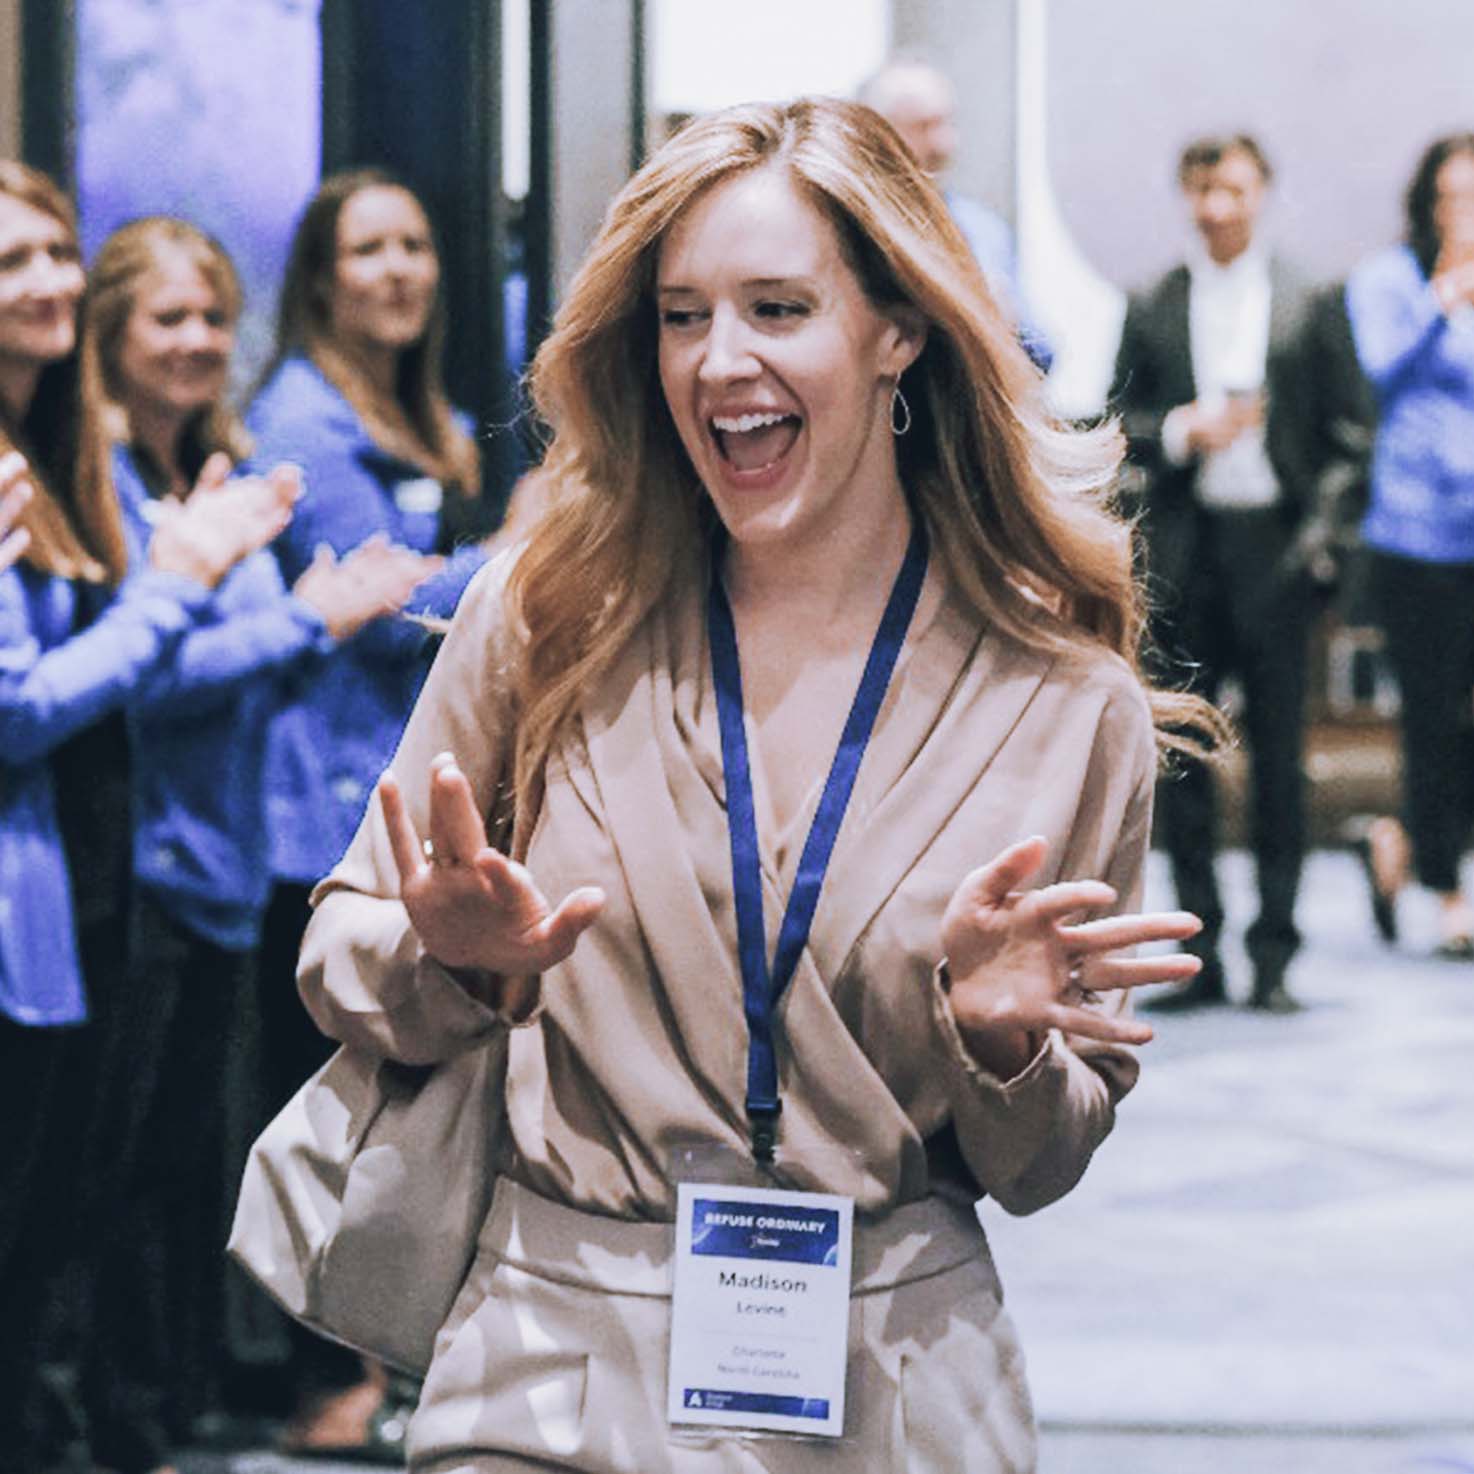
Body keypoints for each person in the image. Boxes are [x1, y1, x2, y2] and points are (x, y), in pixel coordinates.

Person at [287, 98, 1206, 1473]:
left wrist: (1004, 1045)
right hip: (548, 1363)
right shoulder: (547, 617)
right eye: (680, 315)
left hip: (890, 1385)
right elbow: (337, 954)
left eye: (777, 308)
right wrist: (451, 960)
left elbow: (1039, 1160)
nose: (720, 362)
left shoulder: (1060, 704)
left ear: (897, 328)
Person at [75, 215, 432, 1471]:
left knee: (185, 1183)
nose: (197, 342)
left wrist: (297, 623)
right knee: (107, 1193)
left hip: (219, 870)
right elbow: (145, 681)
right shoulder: (103, 479)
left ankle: (165, 1426)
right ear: (109, 335)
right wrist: (310, 622)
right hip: (137, 875)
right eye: (169, 319)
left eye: (213, 318)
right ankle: (110, 1434)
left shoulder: (214, 468)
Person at [0, 160, 294, 1474]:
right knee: (68, 1225)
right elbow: (29, 708)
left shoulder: (62, 459)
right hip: (98, 887)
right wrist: (200, 587)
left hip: (88, 896)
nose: (49, 281)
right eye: (16, 264)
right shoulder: (75, 471)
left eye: (56, 253)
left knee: (107, 1208)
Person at [246, 166, 490, 1451]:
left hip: (392, 792)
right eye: (369, 250)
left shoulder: (418, 408)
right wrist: (538, 543)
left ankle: (373, 1360)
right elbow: (387, 601)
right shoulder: (299, 415)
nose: (398, 268)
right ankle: (316, 1375)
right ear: (321, 278)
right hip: (318, 810)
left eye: (414, 243)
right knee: (327, 1100)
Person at [1111, 133, 1317, 1014]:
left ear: (1261, 192)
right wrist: (1181, 432)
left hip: (1273, 550)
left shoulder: (1309, 302)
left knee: (1278, 760)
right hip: (1187, 553)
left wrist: (1321, 549)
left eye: (1231, 187)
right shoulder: (1155, 301)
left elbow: (1347, 433)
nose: (1217, 206)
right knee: (1182, 757)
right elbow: (1117, 424)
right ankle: (1202, 954)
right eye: (1201, 188)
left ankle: (1275, 954)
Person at [1346, 133, 1474, 958]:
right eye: (1452, 198)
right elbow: (1377, 370)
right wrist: (1443, 299)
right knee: (1432, 717)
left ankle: (1396, 840)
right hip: (1416, 535)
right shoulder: (1389, 281)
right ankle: (1448, 888)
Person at [860, 57, 1053, 370]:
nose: (944, 144)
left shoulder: (983, 229)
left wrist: (1006, 320)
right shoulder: (852, 225)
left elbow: (1044, 356)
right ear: (878, 132)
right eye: (922, 127)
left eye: (947, 123)